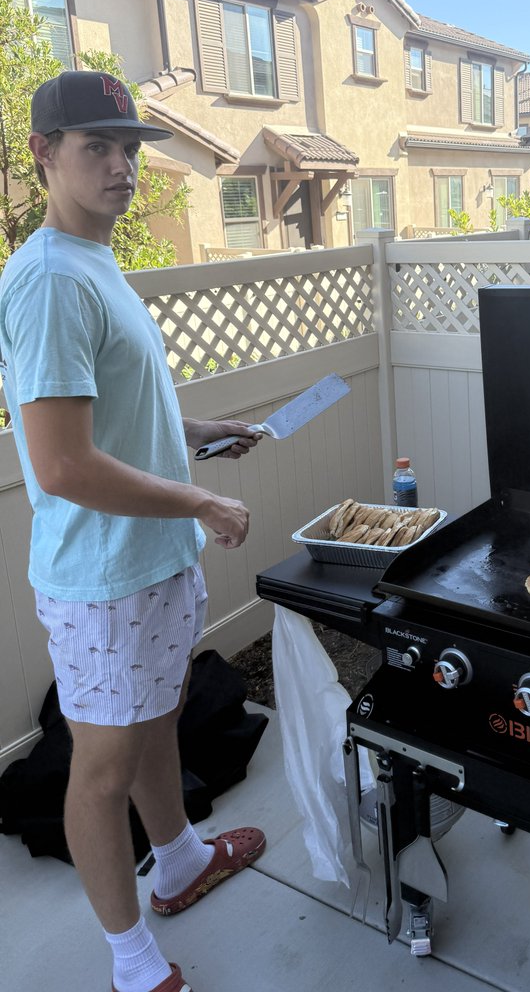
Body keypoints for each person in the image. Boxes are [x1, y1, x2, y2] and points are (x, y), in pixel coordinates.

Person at [0, 70, 268, 992]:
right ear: (43, 153)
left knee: (157, 725)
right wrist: (199, 500)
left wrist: (198, 435)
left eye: (127, 148)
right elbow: (66, 465)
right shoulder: (42, 282)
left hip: (151, 561)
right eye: (95, 148)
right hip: (103, 578)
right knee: (100, 768)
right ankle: (128, 962)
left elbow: (115, 410)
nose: (120, 167)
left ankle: (183, 862)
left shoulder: (93, 262)